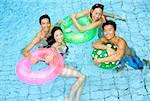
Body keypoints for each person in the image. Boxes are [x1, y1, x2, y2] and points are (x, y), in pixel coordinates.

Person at [44, 26, 85, 101]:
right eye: (57, 35)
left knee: (81, 75)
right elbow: (48, 61)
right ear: (53, 37)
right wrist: (48, 61)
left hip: (63, 65)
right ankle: (69, 99)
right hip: (59, 70)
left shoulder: (62, 42)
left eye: (61, 34)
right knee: (82, 77)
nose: (59, 37)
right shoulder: (52, 49)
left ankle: (77, 99)